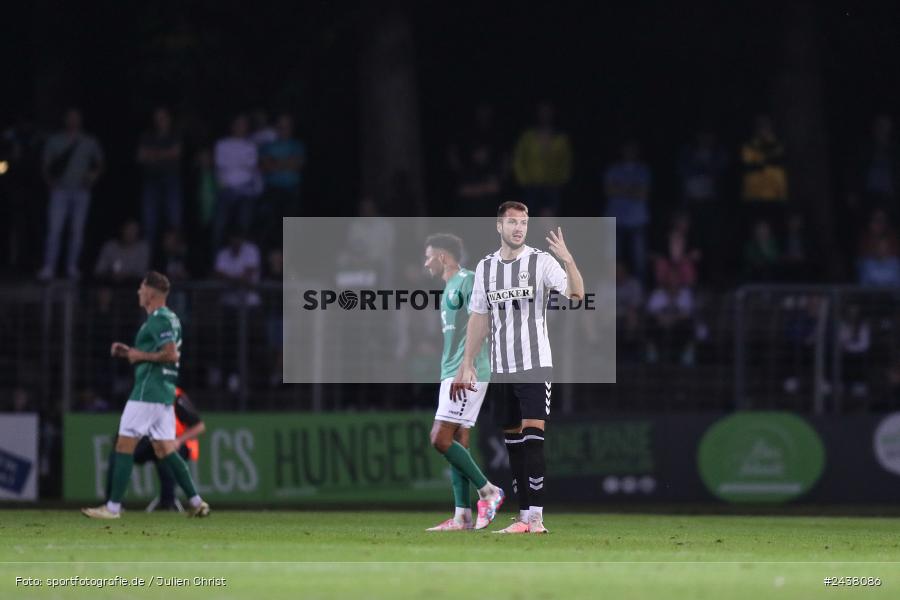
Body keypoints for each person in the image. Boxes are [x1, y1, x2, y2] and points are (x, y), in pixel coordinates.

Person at [452, 201, 585, 534]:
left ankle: (537, 518)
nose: (518, 227)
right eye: (512, 222)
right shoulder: (485, 268)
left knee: (532, 439)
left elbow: (577, 295)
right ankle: (524, 517)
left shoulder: (541, 262)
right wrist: (467, 362)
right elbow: (478, 317)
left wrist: (567, 259)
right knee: (512, 444)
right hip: (501, 368)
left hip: (534, 363)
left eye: (523, 222)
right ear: (499, 226)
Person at [81, 271, 209, 519]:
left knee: (124, 444)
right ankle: (196, 501)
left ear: (151, 293)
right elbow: (160, 354)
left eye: (141, 288)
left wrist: (140, 356)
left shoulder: (158, 319)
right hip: (163, 393)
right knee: (165, 450)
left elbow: (171, 354)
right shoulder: (171, 319)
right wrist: (130, 352)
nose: (138, 292)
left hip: (147, 392)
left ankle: (113, 507)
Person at [422, 233, 501, 531]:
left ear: (443, 256)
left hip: (467, 371)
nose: (426, 262)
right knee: (457, 441)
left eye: (429, 256)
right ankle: (462, 516)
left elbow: (483, 321)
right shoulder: (448, 288)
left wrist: (465, 367)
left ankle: (488, 491)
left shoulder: (467, 280)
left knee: (439, 438)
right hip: (453, 369)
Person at [105, 387, 205, 511]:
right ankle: (112, 503)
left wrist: (178, 440)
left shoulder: (174, 396)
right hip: (148, 441)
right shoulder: (140, 394)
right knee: (118, 455)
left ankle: (169, 502)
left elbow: (199, 426)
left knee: (166, 457)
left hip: (172, 442)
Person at [38, 108, 105, 281]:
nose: (73, 121)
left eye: (76, 117)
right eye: (70, 117)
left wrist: (92, 177)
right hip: (60, 191)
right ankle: (49, 267)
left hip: (81, 192)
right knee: (55, 230)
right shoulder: (55, 140)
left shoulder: (89, 141)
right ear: (65, 119)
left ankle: (71, 267)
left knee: (77, 231)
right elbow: (46, 163)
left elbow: (99, 163)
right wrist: (50, 182)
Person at [512, 103, 572, 216]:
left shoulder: (561, 138)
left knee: (550, 221)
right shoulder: (528, 136)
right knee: (531, 218)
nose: (545, 115)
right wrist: (523, 180)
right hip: (531, 186)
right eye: (542, 111)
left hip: (553, 185)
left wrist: (561, 180)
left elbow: (566, 162)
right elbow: (518, 158)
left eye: (548, 111)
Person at [137, 107, 183, 249]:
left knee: (174, 221)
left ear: (169, 119)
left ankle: (175, 263)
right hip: (151, 181)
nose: (160, 121)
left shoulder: (175, 135)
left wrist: (152, 155)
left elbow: (176, 153)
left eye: (162, 118)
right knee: (149, 222)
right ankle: (147, 262)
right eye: (157, 118)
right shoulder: (147, 136)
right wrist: (165, 154)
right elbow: (140, 157)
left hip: (171, 180)